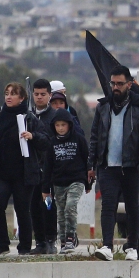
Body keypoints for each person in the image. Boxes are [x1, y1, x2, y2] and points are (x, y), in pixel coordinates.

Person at [87, 66, 139, 261]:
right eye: (113, 83)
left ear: (129, 84)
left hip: (132, 167)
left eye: (119, 84)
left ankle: (132, 246)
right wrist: (91, 165)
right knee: (108, 206)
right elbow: (94, 138)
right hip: (107, 166)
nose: (115, 87)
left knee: (134, 207)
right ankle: (107, 246)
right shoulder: (103, 106)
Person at [0, 82, 49, 255]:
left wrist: (32, 136)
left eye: (13, 94)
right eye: (6, 93)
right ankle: (2, 244)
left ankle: (24, 247)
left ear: (22, 98)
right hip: (1, 173)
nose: (8, 97)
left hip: (23, 174)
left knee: (22, 210)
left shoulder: (29, 118)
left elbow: (46, 141)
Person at [50, 107, 89, 254]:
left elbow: (87, 159)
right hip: (58, 181)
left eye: (63, 125)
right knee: (60, 212)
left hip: (76, 179)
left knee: (70, 207)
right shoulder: (52, 142)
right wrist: (45, 188)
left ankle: (71, 236)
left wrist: (88, 182)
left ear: (69, 125)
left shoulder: (79, 139)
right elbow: (48, 166)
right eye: (57, 125)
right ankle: (63, 240)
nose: (60, 128)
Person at [28, 79, 58, 255]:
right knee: (33, 206)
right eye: (36, 94)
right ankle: (39, 241)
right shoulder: (27, 115)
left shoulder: (55, 116)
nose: (39, 97)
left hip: (49, 170)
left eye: (43, 95)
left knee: (48, 205)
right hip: (31, 169)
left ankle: (50, 239)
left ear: (49, 95)